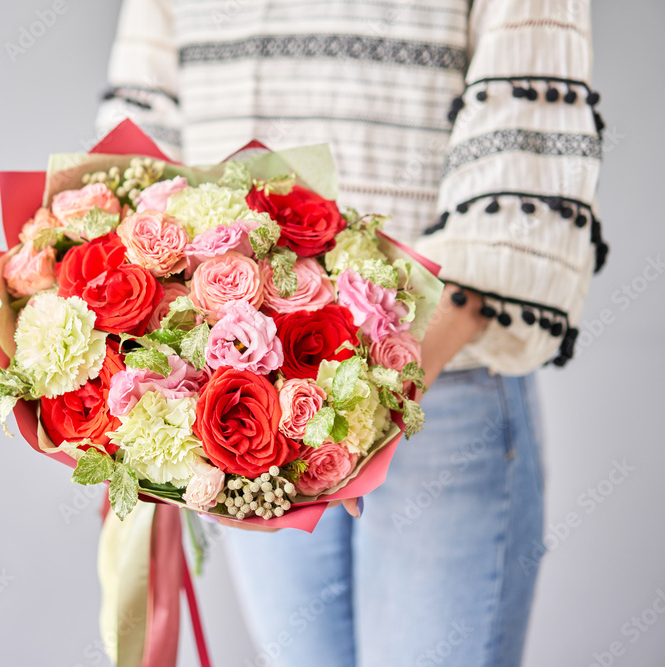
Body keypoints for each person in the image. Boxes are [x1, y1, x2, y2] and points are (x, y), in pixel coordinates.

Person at [96, 1, 606, 664]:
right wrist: (155, 367)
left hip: (436, 386)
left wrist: (368, 396)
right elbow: (142, 123)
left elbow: (522, 161)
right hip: (245, 404)